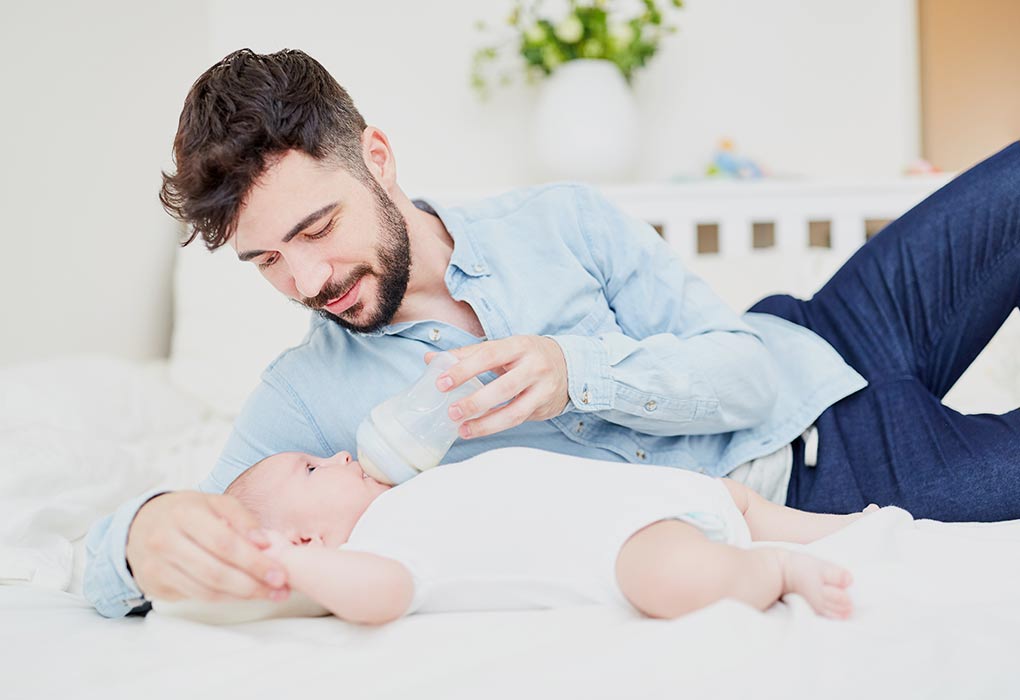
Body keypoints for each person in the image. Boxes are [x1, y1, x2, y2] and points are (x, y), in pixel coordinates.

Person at [84, 48, 1020, 619]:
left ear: (376, 158)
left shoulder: (561, 222)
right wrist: (140, 536)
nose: (306, 281)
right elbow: (200, 536)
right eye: (265, 264)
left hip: (821, 333)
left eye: (317, 230)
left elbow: (748, 372)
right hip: (826, 478)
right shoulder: (303, 398)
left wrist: (582, 373)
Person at [219, 447, 877, 624]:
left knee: (747, 506)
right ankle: (777, 570)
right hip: (628, 545)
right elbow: (382, 595)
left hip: (662, 492)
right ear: (305, 545)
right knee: (668, 579)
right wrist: (287, 568)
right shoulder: (378, 548)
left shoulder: (407, 489)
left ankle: (860, 530)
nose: (337, 456)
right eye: (312, 468)